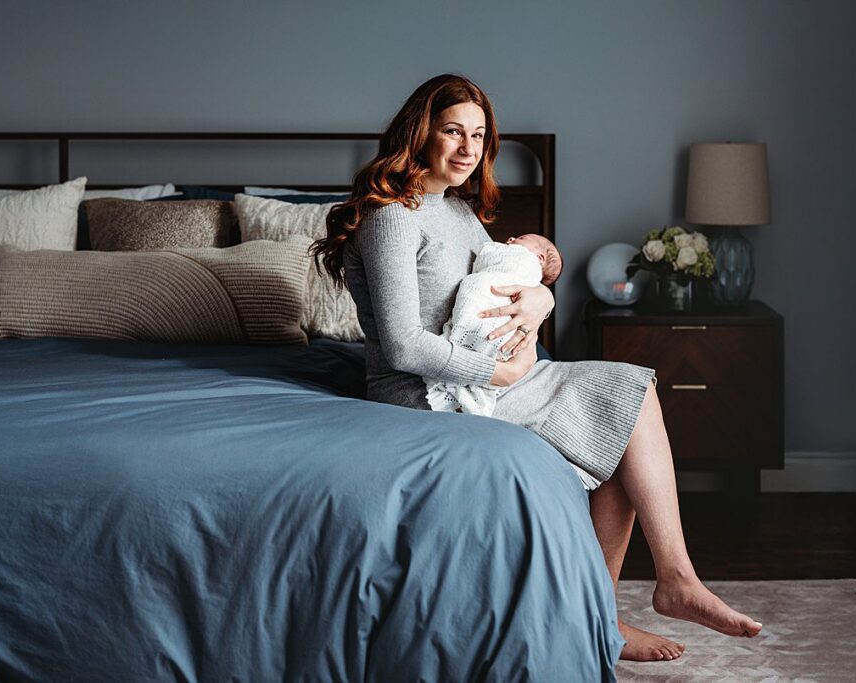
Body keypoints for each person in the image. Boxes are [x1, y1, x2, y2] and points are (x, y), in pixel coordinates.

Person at [310, 73, 763, 662]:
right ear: (421, 135)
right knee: (618, 404)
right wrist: (495, 374)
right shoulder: (395, 215)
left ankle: (654, 589)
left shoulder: (458, 213)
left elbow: (503, 282)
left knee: (626, 391)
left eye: (478, 135)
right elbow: (402, 347)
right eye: (453, 132)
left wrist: (544, 298)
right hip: (422, 394)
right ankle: (630, 606)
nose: (469, 149)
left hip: (477, 377)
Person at [424, 233, 561, 418]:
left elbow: (519, 274)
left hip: (521, 347)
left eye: (521, 238)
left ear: (540, 258)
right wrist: (507, 373)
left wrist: (545, 298)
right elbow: (404, 349)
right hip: (496, 363)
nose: (511, 238)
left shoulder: (471, 216)